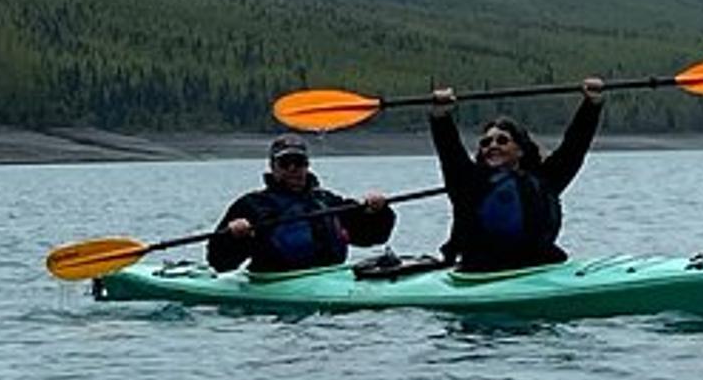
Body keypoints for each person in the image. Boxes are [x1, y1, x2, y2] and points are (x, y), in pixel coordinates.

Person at [428, 77, 604, 272]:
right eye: (486, 143)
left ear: (520, 149)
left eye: (502, 140)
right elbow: (449, 150)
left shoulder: (545, 179)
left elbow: (575, 146)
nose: (493, 146)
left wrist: (592, 103)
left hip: (541, 267)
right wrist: (440, 115)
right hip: (481, 272)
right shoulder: (468, 183)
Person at [207, 134, 393, 273]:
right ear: (272, 167)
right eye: (285, 163)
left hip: (330, 276)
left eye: (298, 162)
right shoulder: (252, 205)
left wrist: (378, 211)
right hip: (274, 283)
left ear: (307, 165)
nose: (292, 169)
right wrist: (235, 237)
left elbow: (373, 236)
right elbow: (219, 261)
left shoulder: (326, 200)